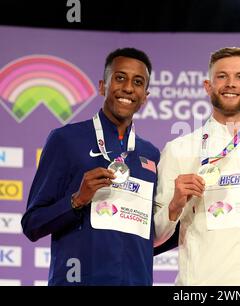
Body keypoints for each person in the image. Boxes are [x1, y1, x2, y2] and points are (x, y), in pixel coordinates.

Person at [153, 47, 240, 285]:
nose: (230, 83)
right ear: (208, 86)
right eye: (222, 76)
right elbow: (156, 237)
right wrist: (176, 203)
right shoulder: (178, 149)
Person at [21, 48, 160, 285]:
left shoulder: (151, 155)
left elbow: (147, 235)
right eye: (119, 78)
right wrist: (77, 200)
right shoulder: (65, 140)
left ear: (145, 95)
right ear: (102, 86)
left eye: (138, 82)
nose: (128, 87)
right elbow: (32, 224)